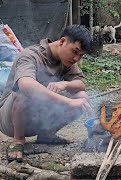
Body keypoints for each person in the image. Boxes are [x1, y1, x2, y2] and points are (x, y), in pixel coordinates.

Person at [0, 25, 93, 162]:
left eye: (81, 55)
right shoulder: (31, 55)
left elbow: (81, 84)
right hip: (10, 120)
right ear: (62, 42)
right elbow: (26, 85)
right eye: (75, 52)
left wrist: (65, 84)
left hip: (39, 117)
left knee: (81, 97)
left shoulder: (66, 60)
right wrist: (69, 102)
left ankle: (46, 135)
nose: (76, 59)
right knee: (24, 92)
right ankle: (18, 141)